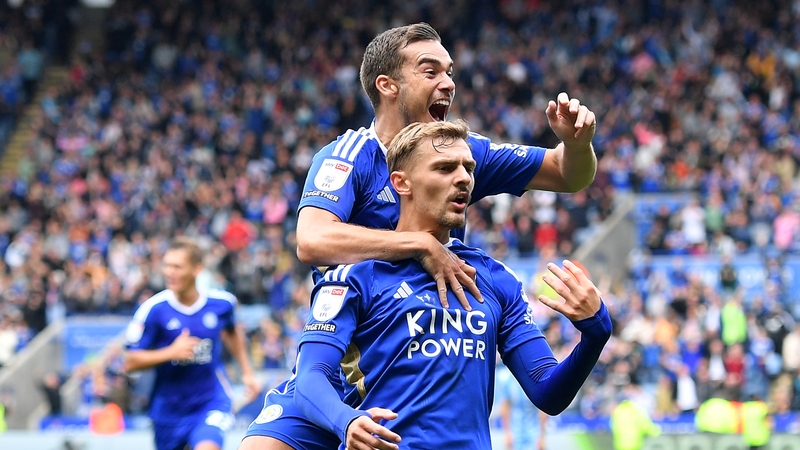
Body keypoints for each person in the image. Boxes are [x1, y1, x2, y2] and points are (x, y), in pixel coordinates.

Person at [242, 22, 598, 450]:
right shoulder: (349, 156)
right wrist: (420, 245)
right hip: (346, 354)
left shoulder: (461, 151)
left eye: (450, 72)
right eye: (431, 71)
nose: (448, 83)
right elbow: (312, 241)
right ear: (387, 85)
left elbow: (567, 175)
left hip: (420, 345)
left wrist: (578, 144)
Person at [291, 120, 611, 449]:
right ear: (401, 183)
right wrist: (346, 420)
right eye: (445, 168)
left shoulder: (496, 279)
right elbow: (310, 377)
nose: (463, 178)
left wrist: (595, 333)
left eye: (468, 168)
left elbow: (548, 392)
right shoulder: (354, 277)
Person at [124, 237, 260, 450]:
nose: (169, 272)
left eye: (177, 267)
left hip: (211, 400)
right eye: (167, 265)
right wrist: (171, 352)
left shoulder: (222, 304)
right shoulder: (153, 309)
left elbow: (233, 333)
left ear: (197, 269)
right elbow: (129, 362)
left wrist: (247, 372)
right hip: (168, 409)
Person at [495, 362, 549, 450]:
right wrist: (507, 432)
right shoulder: (507, 379)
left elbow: (542, 409)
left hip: (534, 429)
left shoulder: (535, 377)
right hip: (515, 429)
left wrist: (541, 436)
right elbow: (505, 407)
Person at [610, 383, 661, 450]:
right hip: (634, 445)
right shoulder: (636, 410)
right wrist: (657, 431)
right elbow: (645, 425)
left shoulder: (617, 411)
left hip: (620, 445)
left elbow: (613, 426)